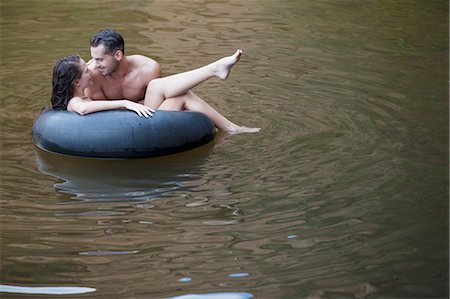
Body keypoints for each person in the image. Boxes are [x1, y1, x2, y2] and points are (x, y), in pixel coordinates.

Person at [85, 28, 260, 134]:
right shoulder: (93, 76)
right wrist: (128, 104)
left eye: (99, 59)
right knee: (182, 95)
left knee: (175, 93)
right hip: (114, 128)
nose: (94, 64)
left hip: (147, 120)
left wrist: (136, 105)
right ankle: (214, 70)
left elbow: (157, 104)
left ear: (118, 55)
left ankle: (231, 129)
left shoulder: (148, 68)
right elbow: (97, 114)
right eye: (93, 58)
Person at [51, 50, 258, 134]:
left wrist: (129, 104)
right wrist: (124, 103)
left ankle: (216, 71)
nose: (92, 68)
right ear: (77, 81)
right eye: (87, 69)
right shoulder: (74, 102)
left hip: (132, 121)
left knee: (163, 89)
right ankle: (231, 127)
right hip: (132, 130)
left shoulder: (81, 86)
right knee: (182, 95)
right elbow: (84, 110)